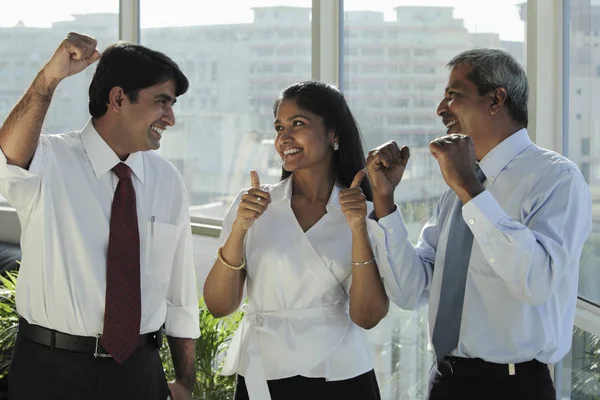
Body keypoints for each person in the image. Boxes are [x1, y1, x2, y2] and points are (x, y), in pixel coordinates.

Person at [365, 48, 592, 399]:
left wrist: (470, 189)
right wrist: (384, 200)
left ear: (496, 99)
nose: (441, 109)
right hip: (444, 381)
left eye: (453, 96)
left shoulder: (555, 178)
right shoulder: (459, 188)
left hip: (513, 387)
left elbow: (536, 281)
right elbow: (411, 291)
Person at [0, 32, 199, 400]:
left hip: (139, 372)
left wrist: (186, 380)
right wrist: (49, 78)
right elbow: (8, 156)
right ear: (118, 98)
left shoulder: (167, 180)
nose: (169, 118)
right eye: (161, 102)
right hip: (50, 371)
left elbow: (180, 293)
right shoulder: (48, 161)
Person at [203, 81, 390, 400]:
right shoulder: (251, 206)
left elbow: (368, 316)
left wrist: (358, 227)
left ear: (334, 134)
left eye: (298, 124)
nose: (283, 138)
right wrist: (240, 228)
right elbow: (219, 306)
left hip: (340, 376)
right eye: (279, 127)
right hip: (265, 373)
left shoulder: (364, 214)